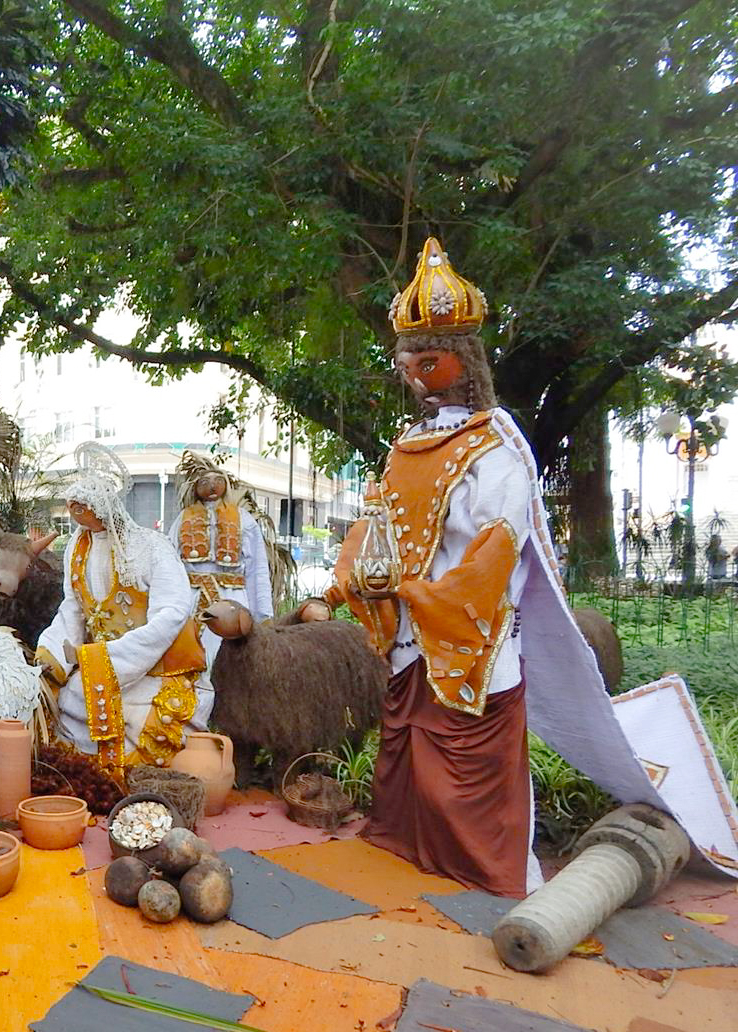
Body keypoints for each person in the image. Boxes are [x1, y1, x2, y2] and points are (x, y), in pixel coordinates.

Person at [328, 238, 738, 896]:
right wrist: (352, 575)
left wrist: (427, 594)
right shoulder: (408, 443)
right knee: (405, 740)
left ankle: (485, 873)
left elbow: (496, 547)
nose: (413, 376)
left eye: (426, 361)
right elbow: (378, 524)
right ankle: (409, 849)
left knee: (468, 753)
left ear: (462, 361)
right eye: (405, 363)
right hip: (411, 624)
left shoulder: (495, 446)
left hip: (470, 628)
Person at [36, 443, 208, 772]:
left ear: (103, 507)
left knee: (144, 724)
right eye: (73, 508)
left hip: (153, 666)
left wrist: (112, 660)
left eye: (82, 507)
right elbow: (72, 609)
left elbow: (172, 613)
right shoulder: (77, 547)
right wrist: (53, 653)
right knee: (69, 699)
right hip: (96, 665)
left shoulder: (151, 546)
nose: (77, 515)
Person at [167, 452, 273, 723]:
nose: (212, 487)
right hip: (192, 602)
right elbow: (170, 566)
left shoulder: (244, 521)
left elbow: (257, 570)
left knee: (231, 660)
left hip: (232, 601)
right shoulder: (182, 519)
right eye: (205, 482)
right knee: (192, 659)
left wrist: (262, 615)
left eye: (217, 481)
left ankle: (231, 719)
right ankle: (191, 717)